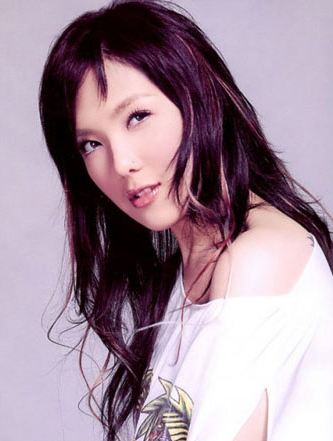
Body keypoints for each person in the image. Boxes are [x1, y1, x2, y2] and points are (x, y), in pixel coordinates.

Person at [39, 1, 333, 440]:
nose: (121, 162)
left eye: (137, 117)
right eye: (91, 145)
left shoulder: (258, 261)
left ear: (197, 98)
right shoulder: (187, 275)